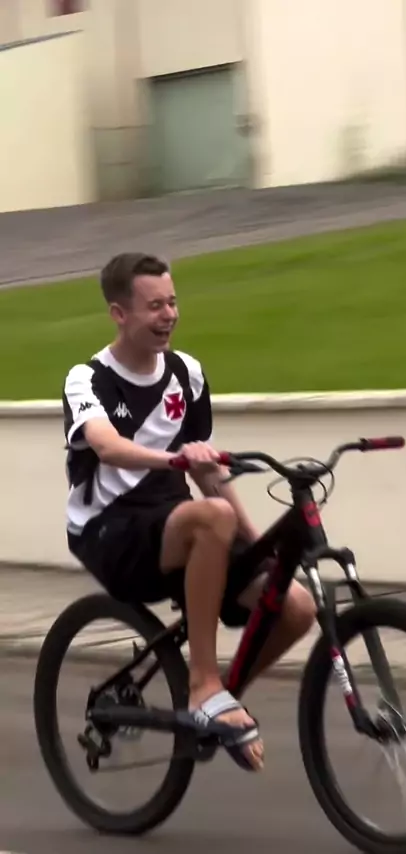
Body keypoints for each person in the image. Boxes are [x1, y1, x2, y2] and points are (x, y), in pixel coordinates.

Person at [62, 252, 316, 772]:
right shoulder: (87, 379)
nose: (169, 315)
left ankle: (218, 708)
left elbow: (209, 474)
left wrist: (258, 546)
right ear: (119, 314)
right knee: (211, 518)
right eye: (154, 306)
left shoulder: (187, 374)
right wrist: (176, 458)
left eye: (173, 302)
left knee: (296, 606)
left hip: (178, 523)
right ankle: (203, 685)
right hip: (110, 531)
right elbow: (107, 446)